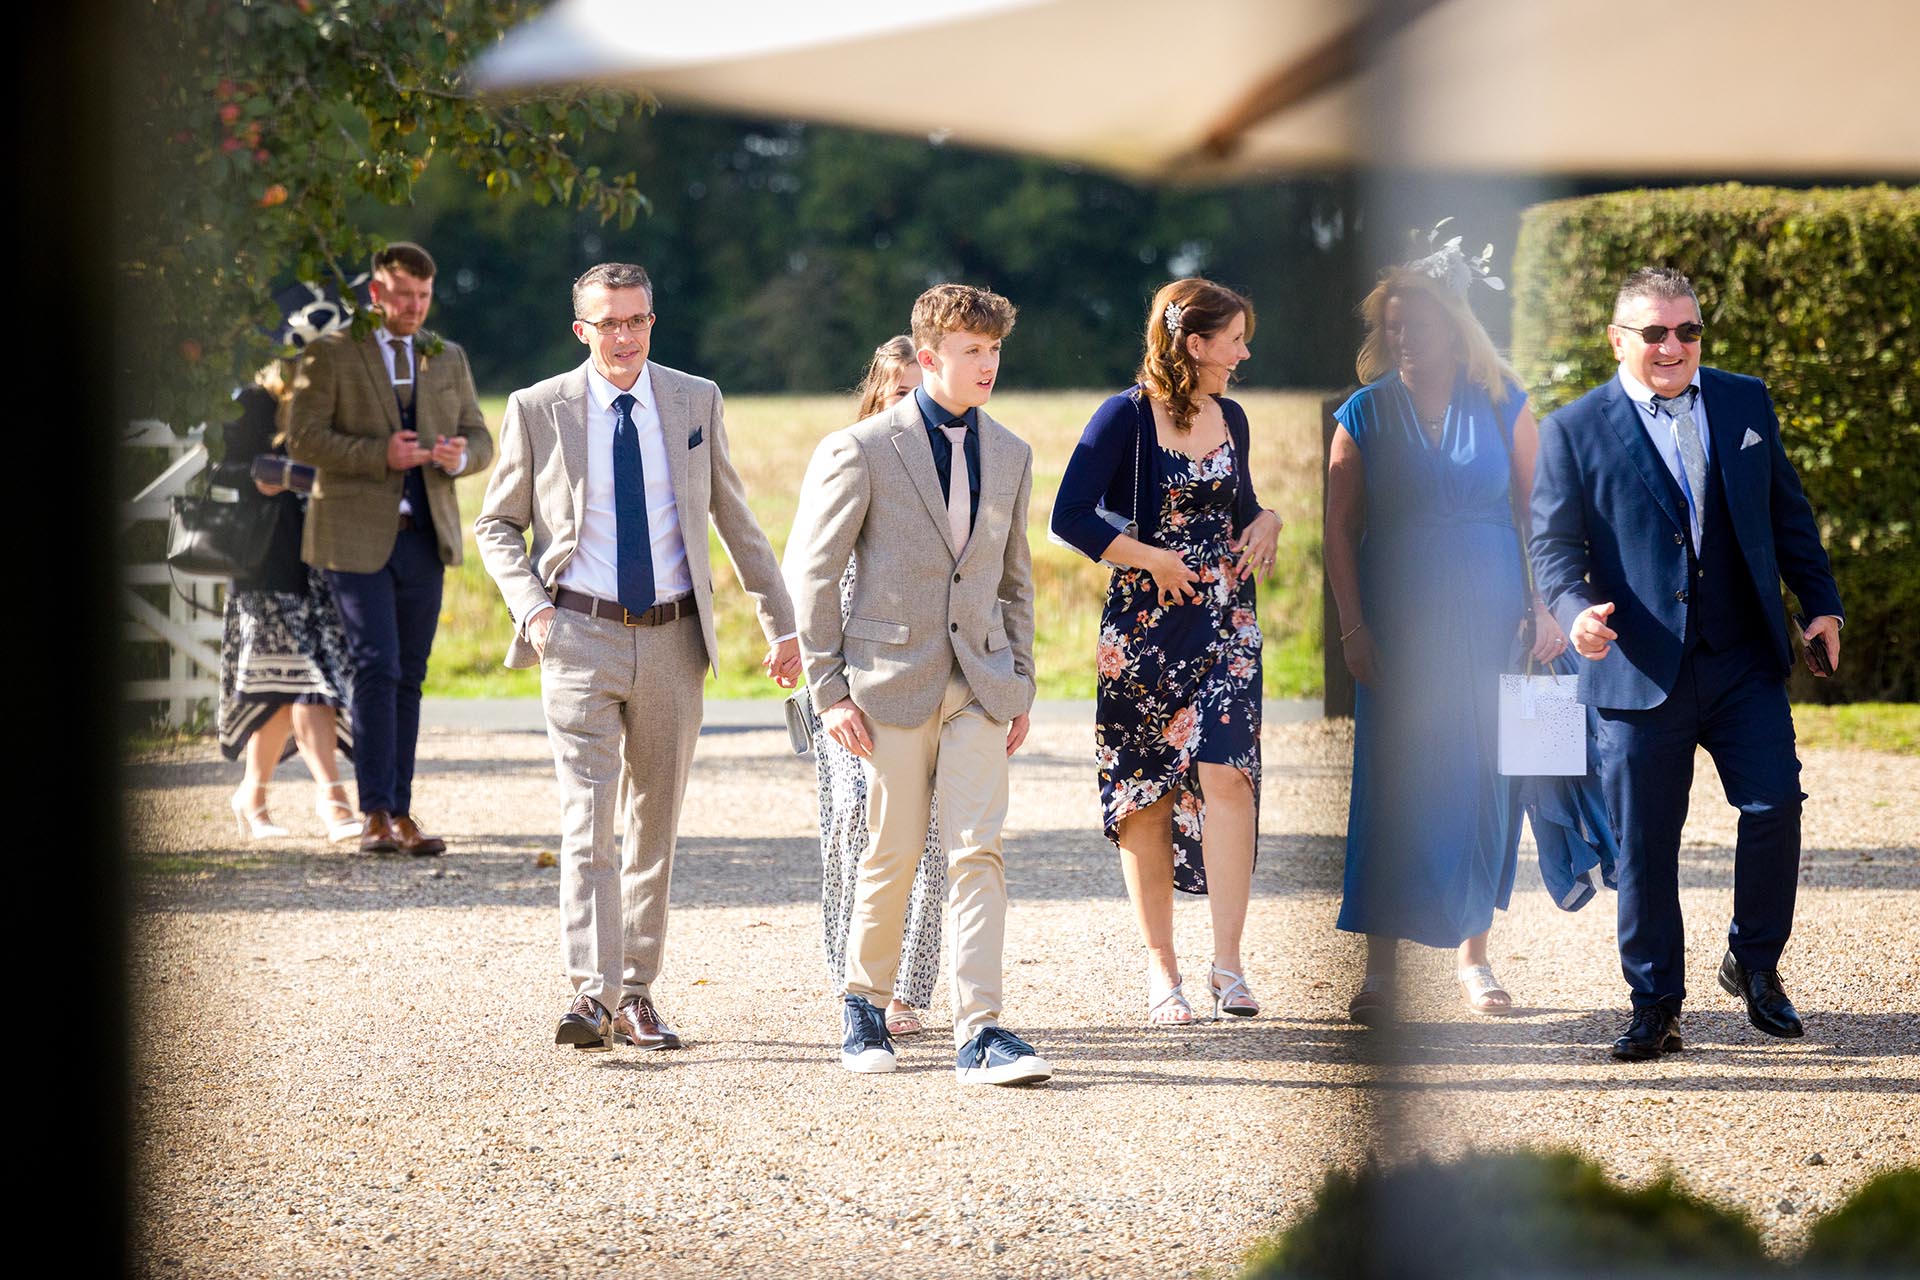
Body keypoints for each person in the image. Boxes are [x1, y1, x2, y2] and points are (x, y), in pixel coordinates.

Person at [475, 261, 799, 1053]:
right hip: (577, 635)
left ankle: (637, 995)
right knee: (588, 823)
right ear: (580, 328)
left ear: (653, 321)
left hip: (674, 638)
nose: (624, 337)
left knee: (654, 824)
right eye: (608, 323)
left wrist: (781, 622)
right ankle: (591, 992)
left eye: (637, 321)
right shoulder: (538, 408)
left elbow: (735, 516)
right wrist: (536, 611)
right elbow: (496, 525)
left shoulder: (695, 399)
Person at [1531, 267, 1844, 1062]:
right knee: (1644, 847)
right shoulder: (1573, 429)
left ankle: (1757, 965)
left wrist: (1821, 604)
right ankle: (1655, 1004)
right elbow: (1553, 550)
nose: (1674, 346)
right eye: (1655, 333)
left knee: (1775, 806)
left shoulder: (1744, 401)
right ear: (1618, 339)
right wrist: (1576, 620)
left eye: (1689, 331)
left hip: (1742, 656)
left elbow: (1788, 511)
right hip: (1636, 668)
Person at [787, 284, 1050, 1086]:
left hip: (981, 687)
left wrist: (1022, 683)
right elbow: (815, 572)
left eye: (995, 350)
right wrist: (827, 694)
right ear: (928, 357)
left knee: (979, 853)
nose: (988, 365)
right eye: (973, 351)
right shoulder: (860, 448)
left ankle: (981, 1031)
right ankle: (863, 1007)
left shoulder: (1011, 452)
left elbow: (1015, 580)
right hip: (883, 687)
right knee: (892, 850)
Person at [1324, 248, 1568, 1025]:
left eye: (1417, 326)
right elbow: (1337, 529)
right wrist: (1354, 628)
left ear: (1455, 330)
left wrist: (1547, 607)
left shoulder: (1504, 401)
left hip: (1496, 619)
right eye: (1392, 327)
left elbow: (1542, 516)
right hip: (1397, 624)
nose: (1403, 339)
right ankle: (1381, 970)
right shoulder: (1361, 412)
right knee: (1392, 785)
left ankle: (1475, 960)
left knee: (1484, 783)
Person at [1051, 278, 1282, 1026]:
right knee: (1146, 800)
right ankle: (1163, 973)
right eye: (1235, 340)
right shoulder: (1124, 415)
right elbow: (1070, 516)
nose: (1244, 353)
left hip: (1226, 628)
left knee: (1231, 781)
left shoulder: (1232, 416)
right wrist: (1150, 558)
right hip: (1145, 634)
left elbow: (1238, 507)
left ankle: (1229, 967)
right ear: (1194, 344)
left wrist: (1268, 519)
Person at [287, 241, 493, 856]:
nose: (413, 308)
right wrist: (380, 455)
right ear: (376, 293)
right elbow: (303, 438)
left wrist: (462, 456)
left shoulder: (446, 356)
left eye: (423, 297)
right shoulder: (329, 354)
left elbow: (481, 436)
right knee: (377, 666)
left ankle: (400, 814)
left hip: (426, 539)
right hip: (352, 539)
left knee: (410, 677)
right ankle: (373, 812)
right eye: (402, 296)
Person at [813, 335, 946, 1038]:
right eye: (899, 391)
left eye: (920, 388)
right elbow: (814, 569)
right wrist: (812, 666)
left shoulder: (961, 464)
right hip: (848, 675)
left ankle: (907, 990)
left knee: (927, 833)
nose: (912, 402)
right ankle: (853, 981)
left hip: (930, 677)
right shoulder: (852, 455)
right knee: (851, 822)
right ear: (878, 394)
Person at [215, 363, 359, 843]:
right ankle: (333, 802)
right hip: (266, 567)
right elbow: (219, 463)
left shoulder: (334, 397)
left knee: (291, 687)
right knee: (299, 681)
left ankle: (252, 796)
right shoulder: (255, 400)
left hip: (320, 562)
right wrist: (261, 475)